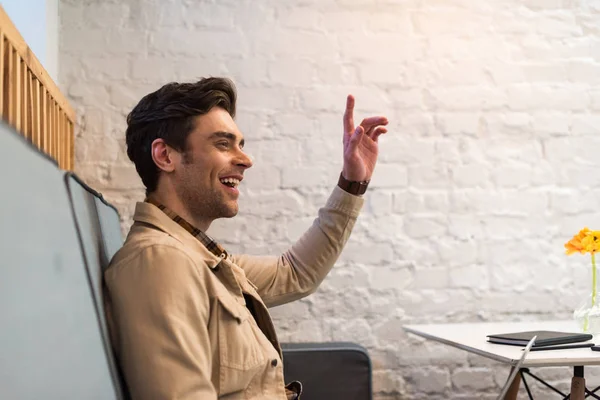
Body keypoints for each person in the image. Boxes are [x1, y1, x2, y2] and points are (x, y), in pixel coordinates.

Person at [104, 77, 389, 400]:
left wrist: (352, 183)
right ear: (166, 156)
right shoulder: (160, 263)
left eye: (240, 144)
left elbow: (294, 273)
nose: (245, 159)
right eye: (223, 144)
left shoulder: (195, 257)